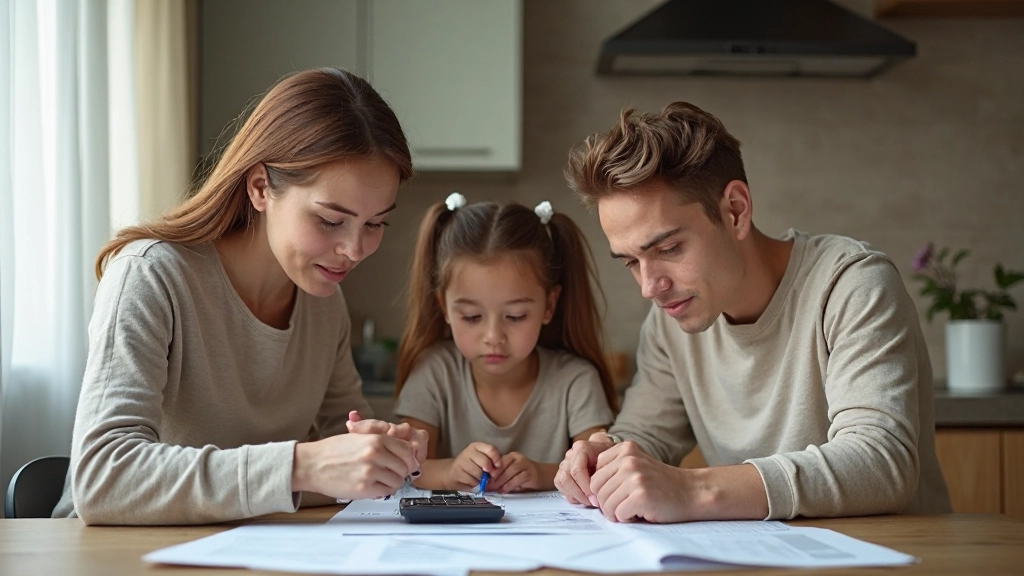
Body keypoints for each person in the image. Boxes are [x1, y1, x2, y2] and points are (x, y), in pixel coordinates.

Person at [52, 68, 427, 525]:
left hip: (248, 548)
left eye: (375, 224)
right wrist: (303, 466)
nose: (353, 250)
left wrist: (378, 453)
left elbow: (338, 446)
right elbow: (103, 479)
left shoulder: (323, 299)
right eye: (331, 220)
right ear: (260, 187)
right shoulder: (151, 275)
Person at [554, 102, 952, 523]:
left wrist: (693, 489)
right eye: (632, 261)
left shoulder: (852, 285)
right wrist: (605, 457)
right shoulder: (670, 321)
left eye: (668, 249)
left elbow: (882, 463)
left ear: (736, 210)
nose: (650, 286)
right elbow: (645, 437)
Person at [392, 193, 616, 493]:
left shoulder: (576, 380)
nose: (493, 336)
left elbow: (596, 468)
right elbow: (408, 467)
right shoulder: (434, 372)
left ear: (549, 306)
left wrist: (542, 474)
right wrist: (449, 472)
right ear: (444, 307)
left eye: (515, 316)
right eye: (472, 317)